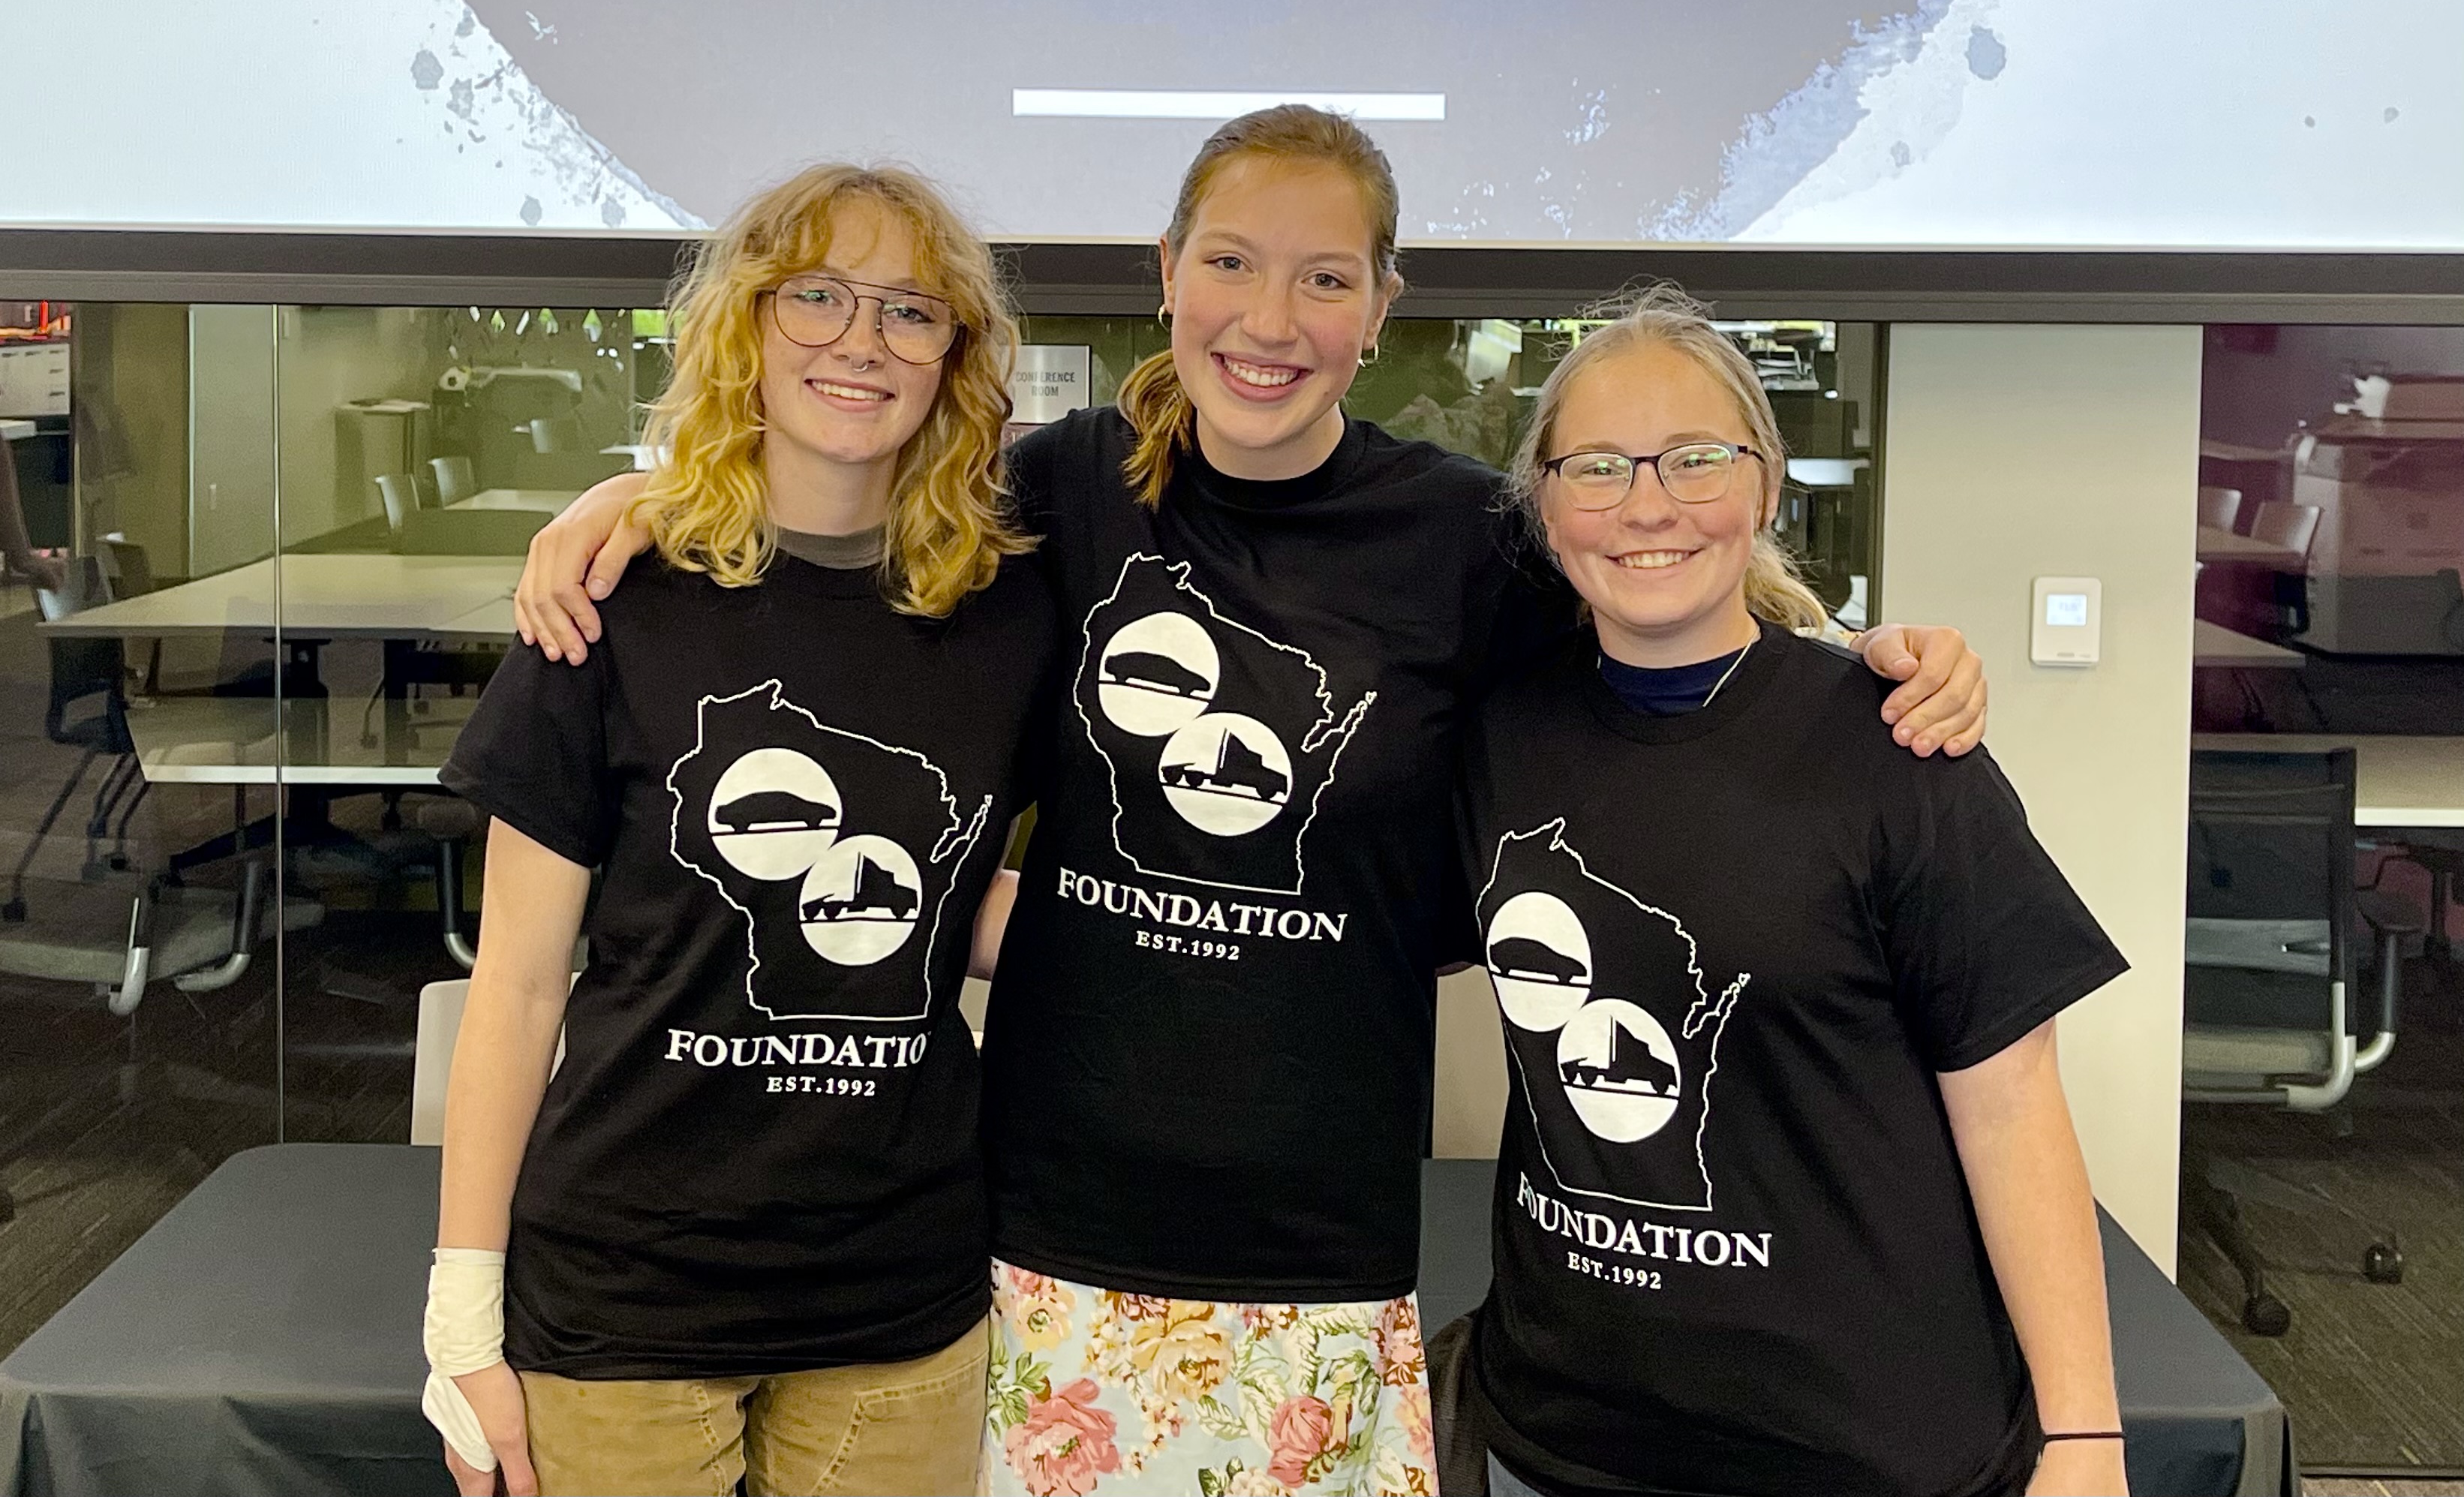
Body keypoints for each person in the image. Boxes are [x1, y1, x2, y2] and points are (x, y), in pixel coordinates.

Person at [512, 108, 1990, 1495]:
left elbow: (1662, 598)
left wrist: (1853, 655)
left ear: (1380, 301)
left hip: (1319, 1249)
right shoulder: (1064, 492)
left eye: (1323, 276)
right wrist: (626, 499)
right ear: (1167, 275)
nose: (1269, 319)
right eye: (1229, 261)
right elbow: (843, 502)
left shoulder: (1460, 538)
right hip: (1037, 1232)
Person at [424, 164, 1053, 1497]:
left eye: (910, 312)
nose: (859, 341)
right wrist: (462, 1304)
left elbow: (976, 901)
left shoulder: (1006, 613)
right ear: (746, 327)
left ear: (957, 358)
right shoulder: (610, 601)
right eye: (815, 297)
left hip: (900, 1297)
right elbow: (520, 982)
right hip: (624, 1294)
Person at [1459, 284, 2127, 1497]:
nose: (1647, 504)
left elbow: (2015, 1107)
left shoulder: (1900, 754)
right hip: (1567, 1438)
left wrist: (2085, 1439)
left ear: (1765, 485)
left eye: (1695, 459)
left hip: (1859, 1448)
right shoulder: (1498, 737)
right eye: (1598, 466)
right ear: (1545, 506)